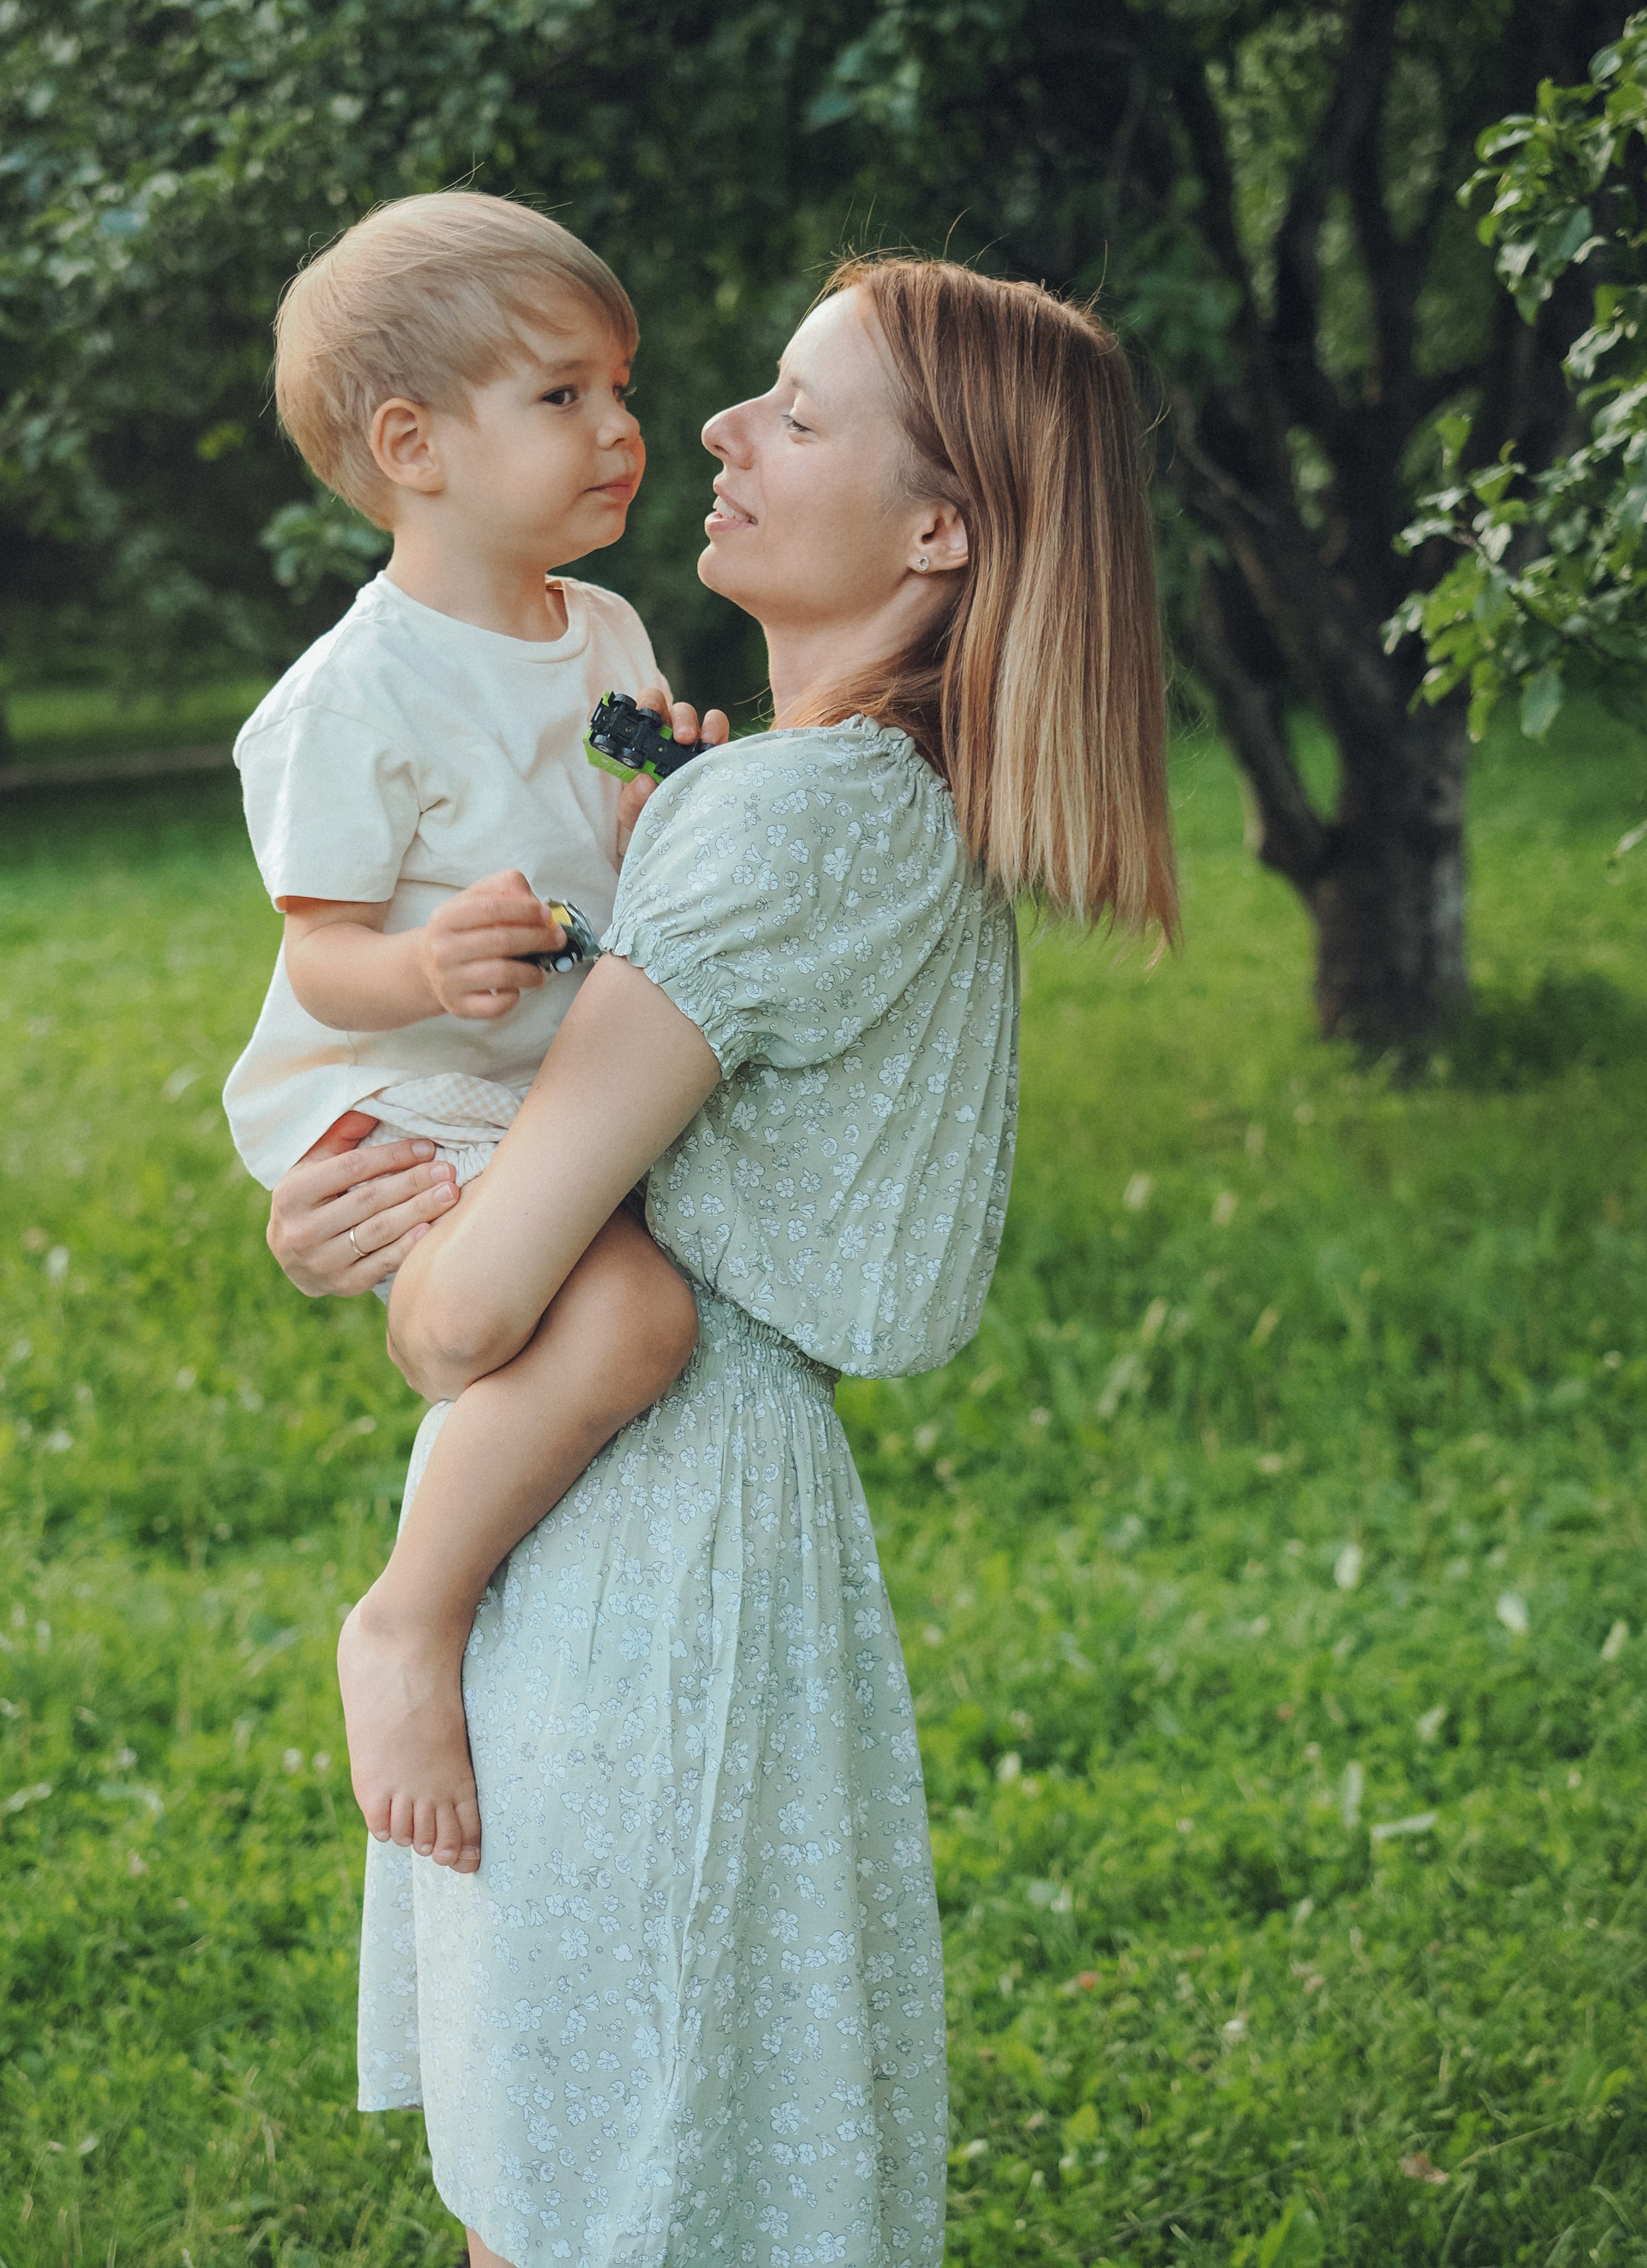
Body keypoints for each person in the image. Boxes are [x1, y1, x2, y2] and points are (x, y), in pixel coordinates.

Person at [269, 255, 1174, 2268]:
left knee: (600, 2183)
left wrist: (375, 1236)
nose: (714, 429)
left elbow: (475, 1311)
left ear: (940, 527)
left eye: (794, 407)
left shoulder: (778, 823)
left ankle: (388, 1624)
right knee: (644, 2154)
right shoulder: (864, 797)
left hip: (643, 1552)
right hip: (710, 1531)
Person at [223, 190, 708, 1878]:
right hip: (405, 1083)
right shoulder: (351, 699)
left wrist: (675, 799)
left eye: (620, 388)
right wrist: (432, 963)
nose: (623, 429)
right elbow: (326, 964)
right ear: (413, 444)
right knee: (632, 1317)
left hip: (541, 1074)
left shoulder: (609, 634)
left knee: (625, 1299)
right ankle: (405, 1623)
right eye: (562, 395)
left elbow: (620, 856)